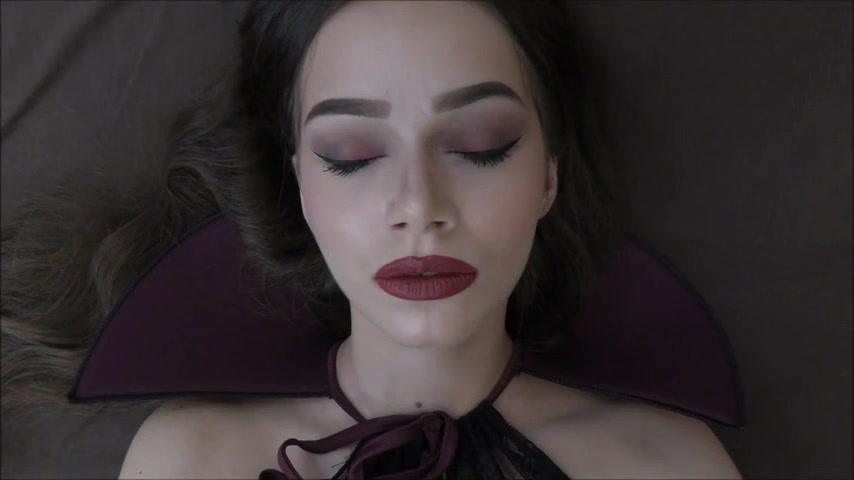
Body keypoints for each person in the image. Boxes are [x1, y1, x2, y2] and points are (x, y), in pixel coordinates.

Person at [2, 1, 742, 478]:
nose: (419, 206)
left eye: (480, 146)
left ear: (548, 175)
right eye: (352, 156)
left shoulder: (667, 464)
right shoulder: (192, 461)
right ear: (299, 182)